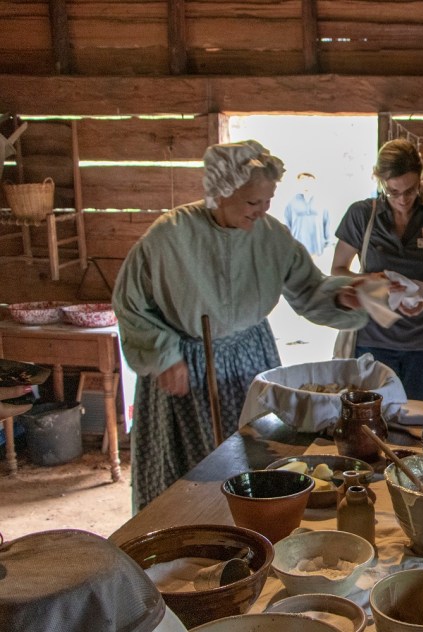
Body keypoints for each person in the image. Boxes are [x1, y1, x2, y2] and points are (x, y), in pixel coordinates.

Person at [113, 140, 368, 512]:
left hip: (251, 357)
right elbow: (130, 304)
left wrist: (341, 295)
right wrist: (163, 355)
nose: (262, 211)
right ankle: (189, 541)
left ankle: (258, 529)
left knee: (257, 453)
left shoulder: (271, 236)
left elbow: (310, 288)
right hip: (188, 364)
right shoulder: (169, 236)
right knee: (195, 469)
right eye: (253, 202)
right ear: (221, 192)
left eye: (268, 201)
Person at [331, 138, 423, 400]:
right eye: (393, 192)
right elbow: (337, 270)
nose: (403, 200)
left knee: (419, 419)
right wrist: (369, 280)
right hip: (372, 340)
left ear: (420, 179)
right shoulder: (361, 215)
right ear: (379, 180)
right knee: (371, 417)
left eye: (411, 190)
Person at [283, 172, 331, 257]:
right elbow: (287, 226)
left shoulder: (322, 203)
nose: (305, 184)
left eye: (309, 180)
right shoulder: (291, 204)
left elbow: (327, 225)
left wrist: (328, 244)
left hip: (318, 250)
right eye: (302, 180)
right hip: (297, 250)